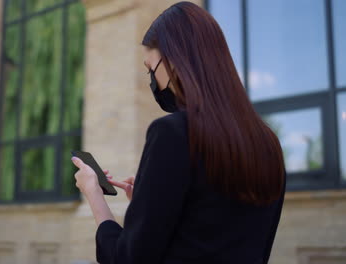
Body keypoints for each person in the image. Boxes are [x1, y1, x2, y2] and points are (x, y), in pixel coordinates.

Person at [71, 1, 286, 263]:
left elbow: (129, 259)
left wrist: (95, 195)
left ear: (176, 60)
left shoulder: (172, 133)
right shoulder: (269, 144)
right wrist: (151, 199)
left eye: (152, 69)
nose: (153, 81)